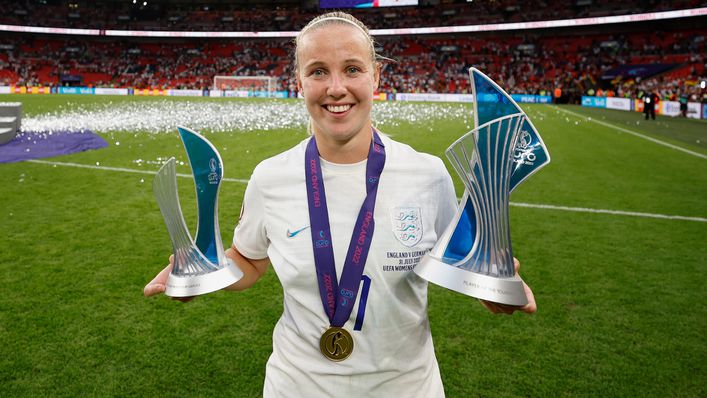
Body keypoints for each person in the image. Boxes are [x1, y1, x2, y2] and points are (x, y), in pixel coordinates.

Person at [144, 11, 536, 398]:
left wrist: (491, 283)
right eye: (317, 72)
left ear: (376, 76)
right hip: (296, 386)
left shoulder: (428, 174)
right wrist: (205, 270)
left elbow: (463, 259)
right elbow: (249, 262)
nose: (335, 88)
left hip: (406, 387)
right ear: (299, 83)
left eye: (352, 69)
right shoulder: (270, 177)